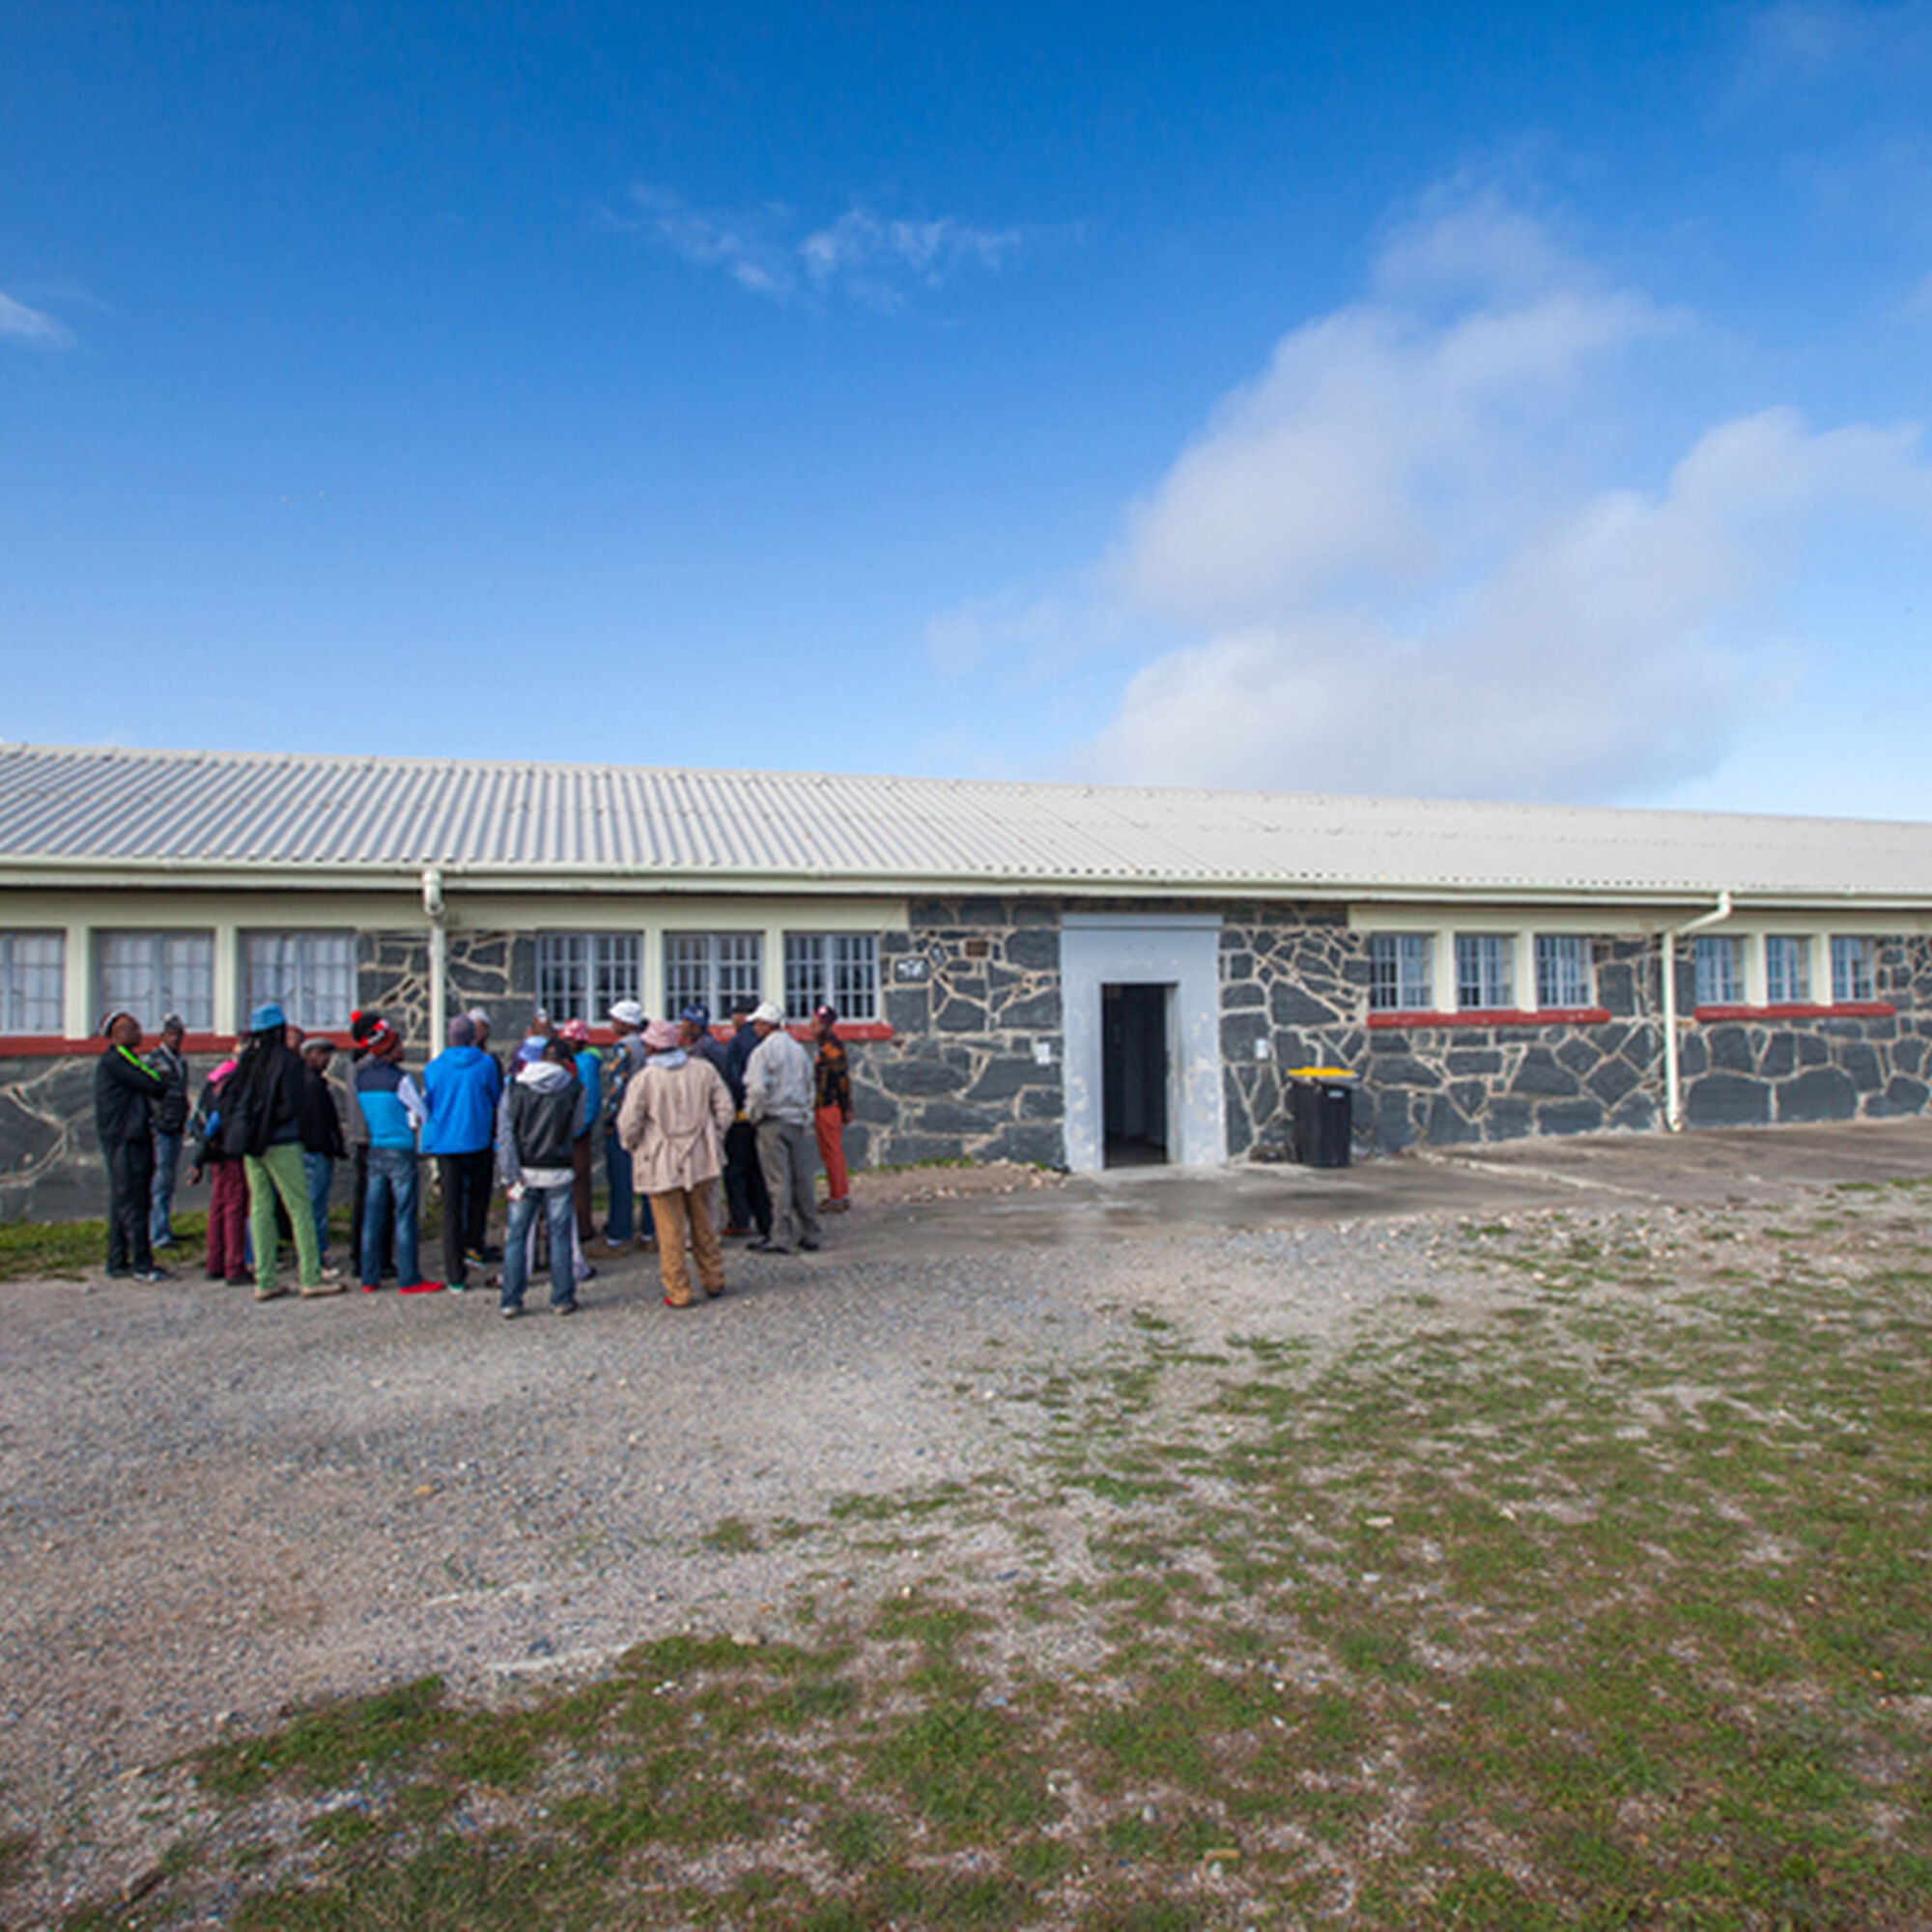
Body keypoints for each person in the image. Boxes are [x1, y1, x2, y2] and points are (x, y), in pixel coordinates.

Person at [618, 1016, 734, 1307]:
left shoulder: (645, 1079)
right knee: (704, 1223)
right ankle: (713, 1279)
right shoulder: (703, 1070)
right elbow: (725, 1107)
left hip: (661, 1160)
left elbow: (630, 1122)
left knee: (669, 1231)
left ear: (652, 1047)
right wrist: (714, 1135)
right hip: (701, 1158)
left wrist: (632, 1146)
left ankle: (679, 1290)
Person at [220, 1004, 333, 1299]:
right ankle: (310, 1276)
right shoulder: (289, 1063)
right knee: (300, 1208)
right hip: (282, 1141)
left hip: (251, 1145)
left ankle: (265, 1279)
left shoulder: (248, 1061)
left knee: (260, 1210)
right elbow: (292, 1105)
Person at [496, 1033, 583, 1318]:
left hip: (525, 1168)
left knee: (517, 1236)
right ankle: (561, 1297)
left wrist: (510, 1174)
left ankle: (511, 1298)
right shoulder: (573, 1088)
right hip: (558, 1167)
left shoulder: (515, 1088)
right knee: (559, 1236)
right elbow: (577, 1125)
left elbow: (506, 1134)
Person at [354, 1017, 436, 1293]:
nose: (402, 1048)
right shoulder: (400, 1079)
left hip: (376, 1145)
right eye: (398, 1044)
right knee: (404, 1214)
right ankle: (409, 1277)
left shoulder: (362, 1078)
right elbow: (422, 1112)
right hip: (400, 1146)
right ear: (389, 1049)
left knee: (373, 1214)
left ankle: (369, 1275)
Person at [421, 1012, 503, 1290]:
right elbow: (495, 1097)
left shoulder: (433, 1068)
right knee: (479, 1198)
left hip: (445, 1143)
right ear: (472, 1037)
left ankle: (455, 1274)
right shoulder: (486, 1064)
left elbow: (428, 1103)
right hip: (478, 1139)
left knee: (451, 1208)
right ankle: (474, 1248)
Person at [95, 1009, 171, 1281]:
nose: (139, 1032)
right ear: (115, 1034)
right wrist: (161, 1078)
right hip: (126, 1138)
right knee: (135, 1201)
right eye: (131, 1028)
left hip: (129, 1136)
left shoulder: (123, 1060)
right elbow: (154, 1083)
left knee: (121, 1200)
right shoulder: (119, 1059)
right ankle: (142, 1263)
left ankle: (117, 1260)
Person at [744, 1001, 821, 1256]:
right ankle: (811, 1231)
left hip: (772, 1119)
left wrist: (753, 1115)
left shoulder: (762, 1053)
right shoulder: (799, 1050)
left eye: (757, 1023)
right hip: (796, 1119)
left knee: (778, 1181)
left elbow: (757, 1089)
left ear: (767, 1025)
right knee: (802, 1179)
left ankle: (780, 1236)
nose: (755, 1027)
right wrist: (805, 1113)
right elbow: (810, 1084)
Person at [185, 1048, 249, 1283]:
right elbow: (217, 1119)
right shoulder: (235, 1084)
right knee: (235, 1207)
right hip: (229, 1148)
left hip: (213, 1152)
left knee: (218, 1207)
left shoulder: (213, 1081)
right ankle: (235, 1265)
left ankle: (214, 1261)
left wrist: (199, 1156)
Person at [599, 999, 650, 1250]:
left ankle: (619, 1234)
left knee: (620, 1179)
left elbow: (618, 1086)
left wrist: (609, 1118)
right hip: (646, 1118)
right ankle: (650, 1232)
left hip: (624, 1117)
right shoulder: (645, 1045)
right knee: (647, 1178)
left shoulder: (624, 1048)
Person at [720, 1000, 772, 1240]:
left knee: (736, 1170)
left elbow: (734, 1079)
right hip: (767, 1114)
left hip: (742, 1115)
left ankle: (739, 1219)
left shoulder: (738, 1043)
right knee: (759, 1171)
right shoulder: (769, 1042)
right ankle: (765, 1219)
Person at [298, 1036, 348, 1268]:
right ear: (309, 1056)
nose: (326, 1059)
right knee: (314, 1207)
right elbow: (317, 1122)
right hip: (315, 1151)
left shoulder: (316, 1082)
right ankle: (314, 1257)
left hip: (317, 1150)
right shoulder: (311, 1085)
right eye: (320, 1054)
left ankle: (315, 1253)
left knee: (316, 1205)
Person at [146, 1013, 190, 1250]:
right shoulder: (155, 1061)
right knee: (160, 1180)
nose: (176, 1039)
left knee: (169, 1179)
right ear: (163, 1036)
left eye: (179, 1034)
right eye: (171, 1034)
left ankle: (165, 1227)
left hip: (175, 1125)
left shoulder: (181, 1061)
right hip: (161, 1126)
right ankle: (158, 1232)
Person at [555, 1018, 602, 1244]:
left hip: (578, 1129)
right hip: (571, 1126)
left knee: (579, 1179)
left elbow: (591, 1098)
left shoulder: (585, 1064)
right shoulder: (577, 1061)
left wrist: (580, 1127)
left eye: (570, 1039)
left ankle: (583, 1226)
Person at [811, 1004, 854, 1213]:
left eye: (817, 1023)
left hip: (828, 1104)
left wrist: (846, 1106)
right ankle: (840, 1193)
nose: (812, 1026)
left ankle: (838, 1195)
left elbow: (841, 1080)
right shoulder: (826, 1046)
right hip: (826, 1104)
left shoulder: (831, 1049)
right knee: (831, 1151)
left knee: (832, 1151)